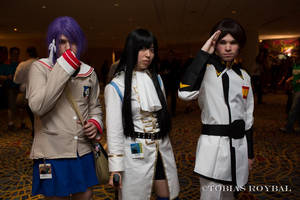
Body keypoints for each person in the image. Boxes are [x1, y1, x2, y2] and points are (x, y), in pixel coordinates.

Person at [27, 16, 103, 199]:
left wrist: (95, 122)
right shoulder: (40, 68)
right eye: (62, 42)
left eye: (73, 42)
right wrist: (62, 68)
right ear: (53, 43)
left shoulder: (89, 72)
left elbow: (95, 107)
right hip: (52, 152)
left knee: (85, 196)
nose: (69, 48)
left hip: (82, 150)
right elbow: (38, 107)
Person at [178, 18, 254, 200]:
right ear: (215, 44)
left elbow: (248, 117)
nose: (228, 48)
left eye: (233, 43)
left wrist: (250, 153)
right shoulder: (205, 70)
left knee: (231, 196)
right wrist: (204, 53)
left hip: (239, 147)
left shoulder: (244, 76)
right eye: (222, 42)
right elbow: (184, 93)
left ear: (239, 46)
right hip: (213, 149)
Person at [105, 29, 179, 200]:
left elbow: (162, 116)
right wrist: (115, 167)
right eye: (142, 49)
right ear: (131, 50)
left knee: (167, 194)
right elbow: (114, 132)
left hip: (161, 148)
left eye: (152, 50)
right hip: (134, 152)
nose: (148, 55)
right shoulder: (116, 86)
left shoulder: (157, 79)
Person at [14, 47, 38, 135]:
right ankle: (37, 129)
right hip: (39, 90)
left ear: (27, 54)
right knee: (38, 111)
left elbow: (16, 80)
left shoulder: (22, 65)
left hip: (27, 91)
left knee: (30, 110)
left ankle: (34, 128)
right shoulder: (41, 63)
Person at [280, 50, 300, 134]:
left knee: (293, 109)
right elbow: (295, 75)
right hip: (294, 89)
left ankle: (289, 127)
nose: (293, 57)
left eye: (295, 56)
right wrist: (290, 79)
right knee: (296, 109)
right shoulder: (295, 65)